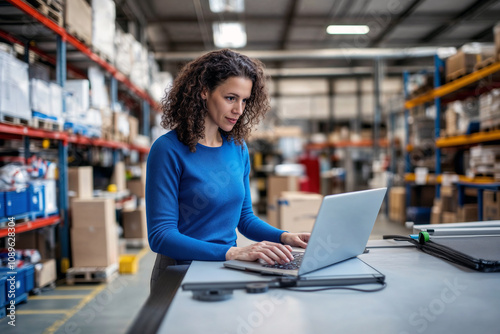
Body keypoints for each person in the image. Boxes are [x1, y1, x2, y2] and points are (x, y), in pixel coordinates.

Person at [146, 49, 310, 289]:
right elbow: (161, 236)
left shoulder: (238, 148)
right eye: (231, 98)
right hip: (180, 272)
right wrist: (232, 253)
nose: (239, 110)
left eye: (245, 100)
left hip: (225, 267)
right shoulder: (167, 150)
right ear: (203, 91)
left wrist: (285, 237)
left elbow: (244, 219)